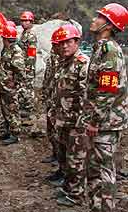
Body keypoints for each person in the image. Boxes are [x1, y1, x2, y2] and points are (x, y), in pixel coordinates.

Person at [79, 3, 128, 212]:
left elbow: (108, 91)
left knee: (105, 171)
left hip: (106, 123)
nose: (94, 19)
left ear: (108, 25)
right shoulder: (100, 48)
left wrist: (94, 122)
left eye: (99, 17)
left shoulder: (110, 52)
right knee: (93, 168)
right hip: (99, 121)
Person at [48, 24, 89, 207]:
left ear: (77, 42)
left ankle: (76, 195)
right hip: (63, 120)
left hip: (76, 123)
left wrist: (81, 125)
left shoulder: (82, 64)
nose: (64, 46)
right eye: (61, 43)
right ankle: (68, 187)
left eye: (68, 42)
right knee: (64, 156)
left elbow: (86, 97)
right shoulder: (65, 63)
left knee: (76, 160)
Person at [0, 23, 25, 145]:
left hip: (11, 88)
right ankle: (8, 131)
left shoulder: (16, 50)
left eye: (3, 38)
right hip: (4, 87)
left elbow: (20, 70)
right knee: (6, 110)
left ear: (7, 38)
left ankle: (15, 134)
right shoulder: (7, 49)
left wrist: (15, 85)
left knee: (12, 110)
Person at [42, 28, 62, 165]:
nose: (54, 47)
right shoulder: (52, 56)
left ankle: (60, 159)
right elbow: (49, 77)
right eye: (53, 44)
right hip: (51, 97)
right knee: (51, 129)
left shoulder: (64, 59)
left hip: (60, 102)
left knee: (58, 133)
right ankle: (55, 154)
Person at [18, 11, 37, 118]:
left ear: (31, 22)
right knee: (23, 85)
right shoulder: (24, 34)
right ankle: (23, 105)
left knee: (28, 86)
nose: (24, 23)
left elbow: (31, 52)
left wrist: (28, 67)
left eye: (26, 21)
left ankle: (28, 108)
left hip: (28, 65)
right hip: (23, 63)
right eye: (23, 21)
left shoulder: (31, 35)